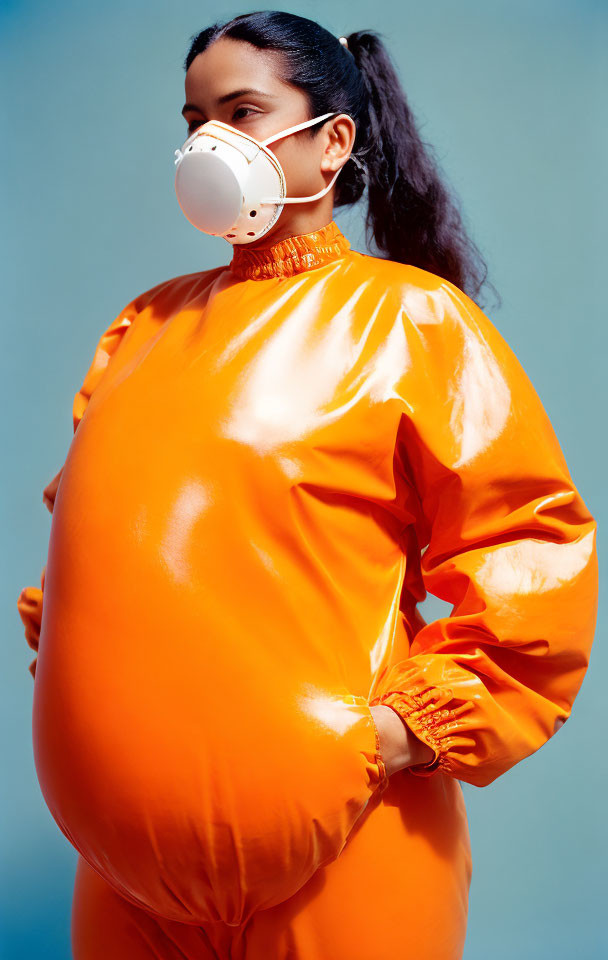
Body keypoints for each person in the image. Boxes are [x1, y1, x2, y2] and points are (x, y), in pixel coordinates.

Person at [17, 11, 598, 960]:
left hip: (346, 846)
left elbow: (529, 545)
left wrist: (385, 738)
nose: (210, 142)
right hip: (119, 875)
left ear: (333, 142)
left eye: (243, 111)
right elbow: (95, 561)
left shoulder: (412, 319)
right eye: (196, 117)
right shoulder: (143, 326)